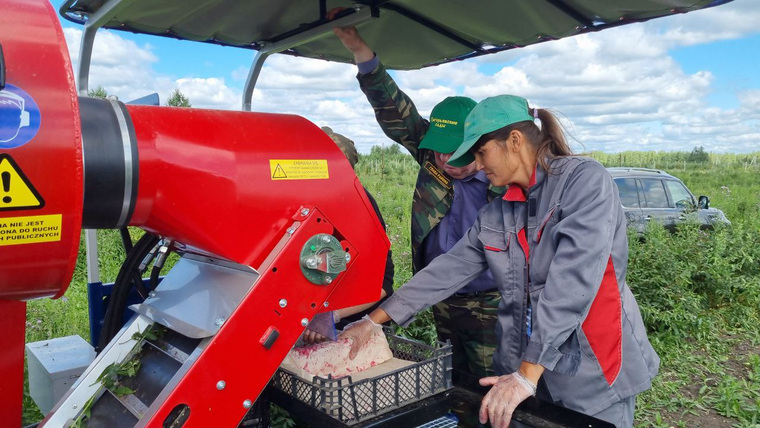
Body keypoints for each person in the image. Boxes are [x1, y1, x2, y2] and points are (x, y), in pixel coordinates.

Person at [341, 95, 660, 428]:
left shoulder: (584, 182)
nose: (478, 165)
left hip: (590, 370)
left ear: (515, 141)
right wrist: (374, 320)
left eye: (481, 152)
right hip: (522, 369)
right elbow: (449, 268)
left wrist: (526, 373)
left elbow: (574, 281)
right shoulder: (499, 210)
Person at [330, 18, 504, 388]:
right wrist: (360, 50)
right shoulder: (429, 151)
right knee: (452, 379)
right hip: (439, 295)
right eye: (437, 153)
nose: (443, 161)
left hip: (492, 300)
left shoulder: (503, 180)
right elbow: (394, 108)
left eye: (455, 155)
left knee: (491, 381)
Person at [300, 127, 395, 344]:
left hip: (356, 327)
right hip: (312, 323)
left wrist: (330, 315)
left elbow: (383, 284)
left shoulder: (360, 207)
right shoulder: (305, 205)